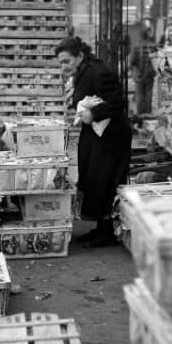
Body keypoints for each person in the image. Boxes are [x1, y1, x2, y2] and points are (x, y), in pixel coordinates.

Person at [55, 36, 132, 247]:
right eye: (61, 62)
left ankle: (107, 231)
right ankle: (100, 227)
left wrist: (94, 114)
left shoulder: (99, 72)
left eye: (66, 61)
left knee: (105, 181)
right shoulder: (82, 72)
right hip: (96, 136)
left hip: (111, 138)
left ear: (79, 55)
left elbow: (117, 102)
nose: (64, 66)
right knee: (94, 180)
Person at [129, 28, 157, 116]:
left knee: (140, 95)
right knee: (149, 94)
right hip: (150, 74)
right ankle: (148, 114)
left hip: (139, 75)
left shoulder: (136, 46)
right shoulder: (153, 46)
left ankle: (140, 115)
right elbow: (157, 60)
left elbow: (132, 61)